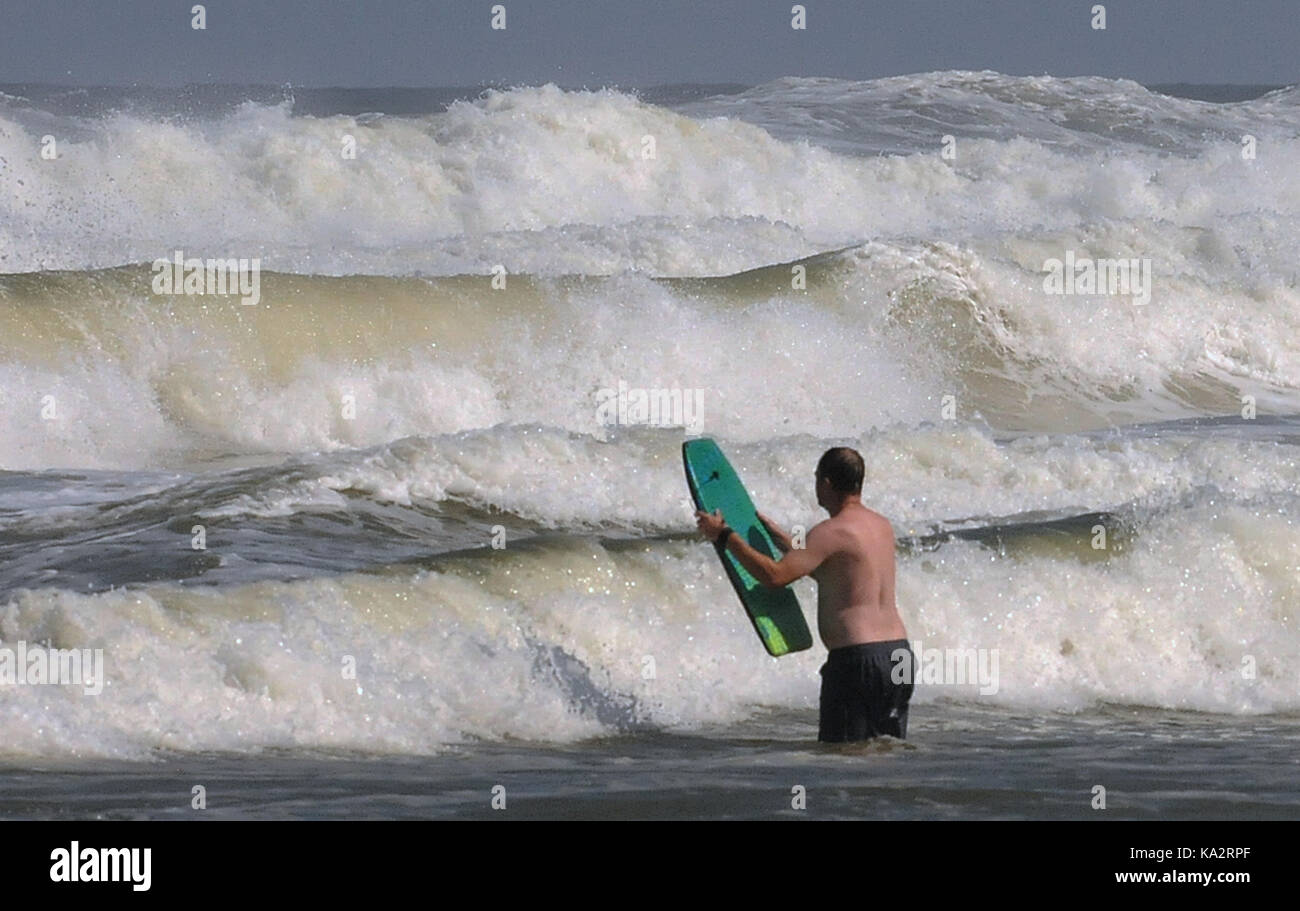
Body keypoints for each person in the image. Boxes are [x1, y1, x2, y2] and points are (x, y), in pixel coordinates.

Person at [694, 446, 915, 742]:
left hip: (858, 661)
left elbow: (775, 576)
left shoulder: (830, 531)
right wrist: (782, 536)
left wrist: (723, 535)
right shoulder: (881, 526)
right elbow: (832, 567)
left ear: (825, 483)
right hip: (898, 656)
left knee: (844, 757)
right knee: (886, 753)